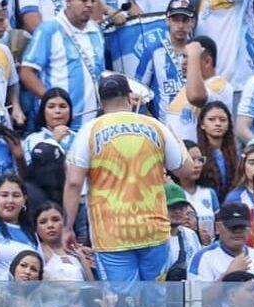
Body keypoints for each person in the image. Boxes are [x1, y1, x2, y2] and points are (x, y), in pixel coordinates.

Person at [64, 74, 186, 290]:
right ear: (130, 97)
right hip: (153, 230)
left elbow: (74, 182)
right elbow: (184, 167)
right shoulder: (155, 126)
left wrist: (67, 227)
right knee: (157, 303)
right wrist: (172, 134)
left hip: (112, 234)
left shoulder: (89, 131)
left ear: (101, 103)